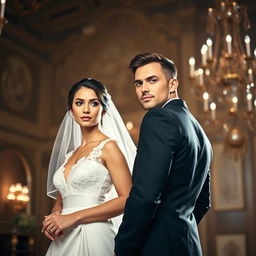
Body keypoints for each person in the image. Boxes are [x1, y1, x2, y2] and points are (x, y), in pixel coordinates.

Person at [114, 53, 213, 256]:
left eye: (152, 80)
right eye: (138, 83)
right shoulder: (197, 129)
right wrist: (177, 226)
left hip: (157, 246)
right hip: (188, 244)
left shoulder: (158, 118)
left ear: (173, 84)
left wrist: (123, 246)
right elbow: (203, 201)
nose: (144, 89)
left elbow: (146, 195)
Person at [42, 78, 136, 256]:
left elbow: (128, 198)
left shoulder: (109, 147)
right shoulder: (69, 155)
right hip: (63, 237)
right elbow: (61, 201)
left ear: (104, 110)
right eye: (79, 103)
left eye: (94, 103)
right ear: (71, 110)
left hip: (94, 234)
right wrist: (54, 219)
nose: (86, 109)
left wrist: (74, 217)